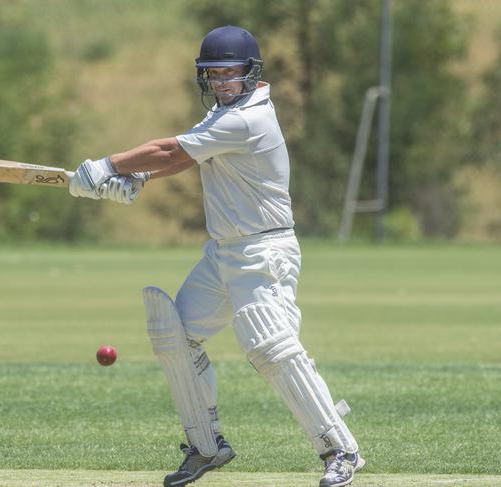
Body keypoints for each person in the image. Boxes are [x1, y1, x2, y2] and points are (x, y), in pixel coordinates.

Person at [68, 25, 364, 487]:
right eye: (214, 73)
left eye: (231, 72)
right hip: (223, 253)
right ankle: (206, 447)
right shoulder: (225, 115)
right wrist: (139, 177)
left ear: (251, 73)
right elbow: (186, 155)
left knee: (271, 346)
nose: (223, 81)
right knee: (176, 336)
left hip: (264, 251)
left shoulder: (249, 118)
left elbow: (171, 148)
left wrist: (107, 166)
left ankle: (340, 450)